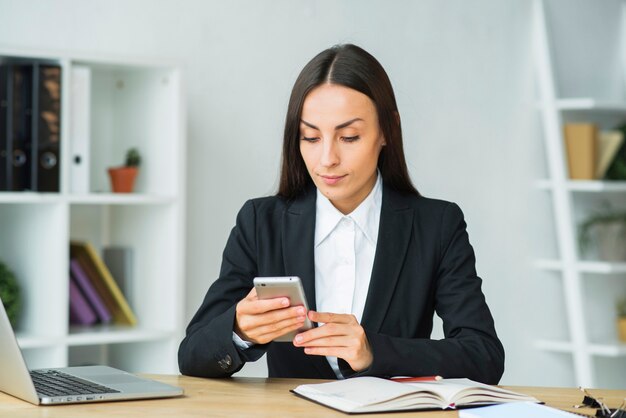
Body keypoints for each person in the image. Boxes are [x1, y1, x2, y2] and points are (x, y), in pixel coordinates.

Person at [178, 44, 505, 384]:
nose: (327, 158)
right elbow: (191, 355)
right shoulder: (262, 222)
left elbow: (483, 355)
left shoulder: (437, 226)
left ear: (386, 132)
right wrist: (239, 330)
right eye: (310, 137)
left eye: (349, 137)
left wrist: (373, 351)